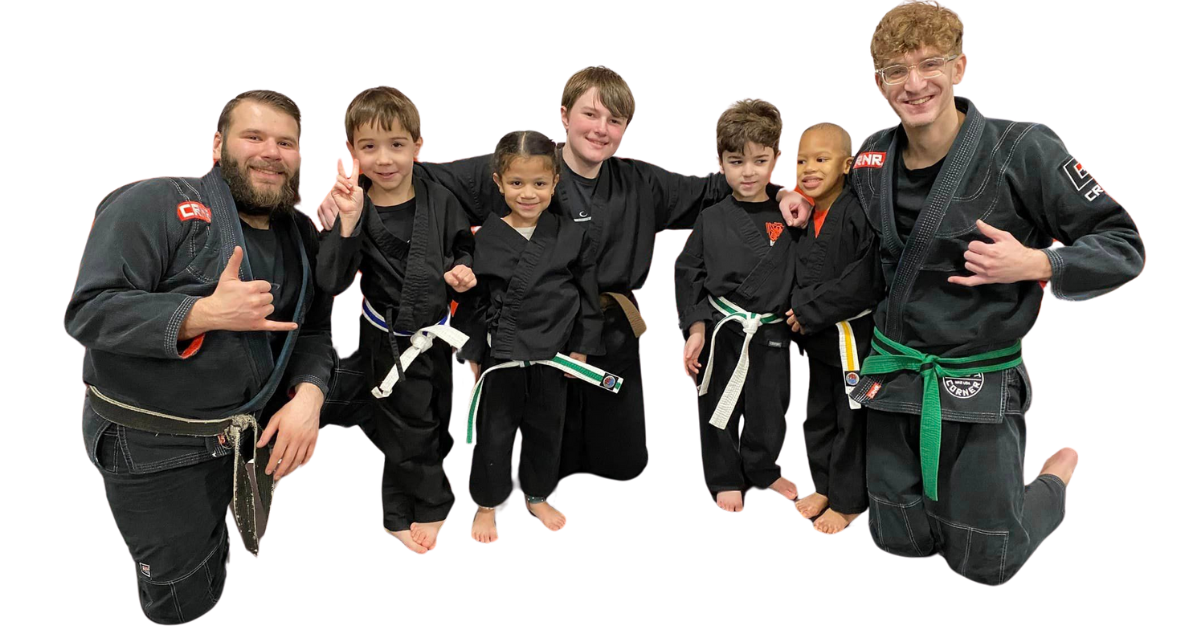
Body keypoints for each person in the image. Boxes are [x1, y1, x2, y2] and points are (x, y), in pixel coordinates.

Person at [318, 65, 811, 488]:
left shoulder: (641, 181)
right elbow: (420, 173)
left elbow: (716, 186)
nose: (601, 128)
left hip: (608, 329)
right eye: (590, 114)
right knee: (537, 458)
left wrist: (787, 189)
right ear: (564, 117)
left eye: (614, 120)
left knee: (622, 465)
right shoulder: (524, 164)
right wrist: (345, 198)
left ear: (623, 131)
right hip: (533, 328)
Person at [813, 0, 1144, 584]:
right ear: (879, 83)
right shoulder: (871, 155)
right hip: (895, 374)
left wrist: (1035, 261)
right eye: (896, 71)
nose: (914, 84)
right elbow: (854, 249)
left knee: (988, 562)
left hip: (978, 376)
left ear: (960, 66)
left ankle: (1052, 481)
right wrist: (796, 201)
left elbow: (1123, 247)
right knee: (897, 538)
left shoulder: (1024, 147)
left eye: (930, 63)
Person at [66, 88, 332, 623]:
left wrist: (310, 397)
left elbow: (314, 332)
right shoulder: (157, 202)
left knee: (224, 549)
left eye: (286, 142)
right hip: (153, 449)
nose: (271, 152)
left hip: (242, 440)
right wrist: (201, 314)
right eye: (253, 137)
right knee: (180, 589)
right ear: (217, 144)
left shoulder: (299, 233)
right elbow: (89, 312)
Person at [318, 85, 475, 556]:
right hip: (386, 337)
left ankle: (398, 501)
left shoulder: (439, 197)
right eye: (369, 147)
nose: (384, 159)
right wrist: (345, 224)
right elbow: (332, 277)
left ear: (419, 145)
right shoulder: (354, 203)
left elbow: (461, 245)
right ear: (351, 151)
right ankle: (425, 506)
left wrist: (463, 270)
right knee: (407, 426)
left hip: (435, 336)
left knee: (431, 419)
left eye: (397, 145)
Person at [452, 129, 608, 543]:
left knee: (545, 429)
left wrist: (582, 350)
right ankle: (488, 503)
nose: (528, 193)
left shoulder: (572, 234)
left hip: (553, 355)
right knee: (494, 432)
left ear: (555, 182)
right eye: (517, 183)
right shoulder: (485, 236)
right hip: (500, 355)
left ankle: (537, 494)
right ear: (499, 182)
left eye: (539, 183)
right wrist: (471, 349)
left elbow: (588, 301)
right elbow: (475, 302)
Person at [677, 97, 800, 515]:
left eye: (760, 161)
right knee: (717, 404)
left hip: (771, 330)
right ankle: (725, 476)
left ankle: (763, 468)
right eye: (736, 161)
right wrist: (695, 328)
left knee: (770, 408)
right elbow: (687, 271)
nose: (748, 172)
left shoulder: (791, 213)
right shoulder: (711, 218)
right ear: (719, 162)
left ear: (776, 160)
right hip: (722, 329)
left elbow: (809, 267)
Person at [786, 122, 885, 534]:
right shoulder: (804, 215)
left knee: (854, 417)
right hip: (821, 342)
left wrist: (810, 310)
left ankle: (849, 503)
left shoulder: (858, 211)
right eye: (802, 160)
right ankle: (824, 485)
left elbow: (866, 279)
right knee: (818, 416)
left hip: (854, 343)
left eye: (821, 159)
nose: (809, 167)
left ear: (847, 164)